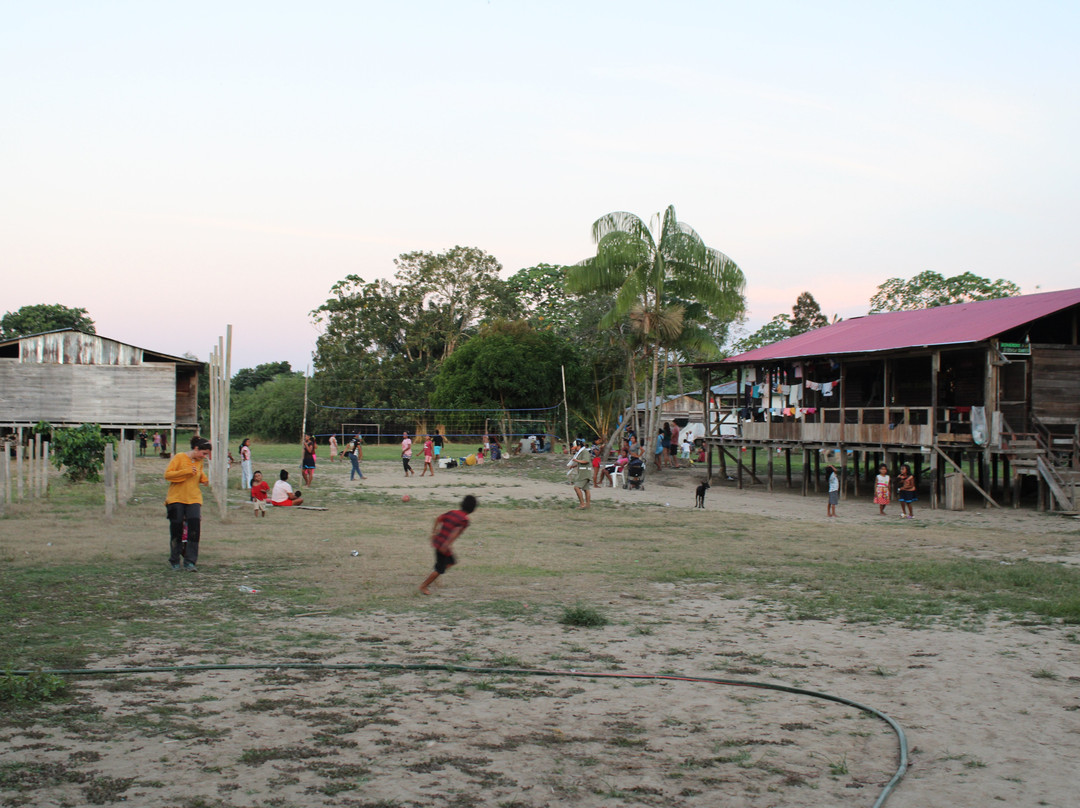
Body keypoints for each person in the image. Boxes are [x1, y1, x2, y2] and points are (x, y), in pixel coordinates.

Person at [164, 437, 211, 571]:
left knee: (194, 529)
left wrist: (204, 479)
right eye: (204, 453)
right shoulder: (179, 458)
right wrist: (187, 472)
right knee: (176, 528)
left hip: (194, 498)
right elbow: (168, 475)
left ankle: (190, 561)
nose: (204, 457)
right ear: (196, 449)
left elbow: (199, 473)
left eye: (206, 455)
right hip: (176, 498)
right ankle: (175, 560)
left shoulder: (199, 462)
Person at [419, 495, 478, 595]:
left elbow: (438, 518)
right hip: (443, 546)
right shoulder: (464, 520)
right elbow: (456, 531)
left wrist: (434, 533)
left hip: (439, 541)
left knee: (451, 562)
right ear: (473, 509)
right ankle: (424, 586)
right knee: (440, 568)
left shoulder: (452, 512)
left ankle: (435, 576)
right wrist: (447, 544)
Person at [568, 438, 593, 509]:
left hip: (584, 473)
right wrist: (574, 465)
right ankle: (587, 505)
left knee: (576, 487)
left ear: (579, 446)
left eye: (575, 447)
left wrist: (576, 460)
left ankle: (582, 504)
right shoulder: (581, 452)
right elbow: (582, 462)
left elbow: (586, 461)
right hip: (585, 472)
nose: (574, 449)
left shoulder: (584, 452)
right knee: (586, 489)